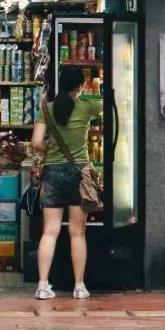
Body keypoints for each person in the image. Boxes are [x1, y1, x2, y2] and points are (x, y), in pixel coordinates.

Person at [30, 67, 99, 300]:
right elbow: (113, 107)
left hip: (52, 172)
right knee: (77, 232)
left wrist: (50, 148)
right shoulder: (87, 106)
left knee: (50, 231)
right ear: (80, 86)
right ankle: (79, 286)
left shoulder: (47, 110)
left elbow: (36, 142)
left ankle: (42, 285)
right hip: (79, 172)